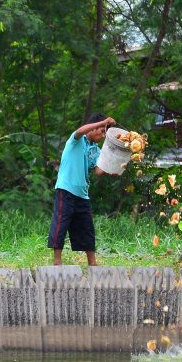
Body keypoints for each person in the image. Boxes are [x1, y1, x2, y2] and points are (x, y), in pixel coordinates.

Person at [47, 113, 115, 266]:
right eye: (102, 131)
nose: (103, 136)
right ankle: (57, 261)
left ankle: (92, 263)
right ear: (94, 127)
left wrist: (113, 168)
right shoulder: (77, 140)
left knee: (87, 228)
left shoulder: (95, 150)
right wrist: (104, 121)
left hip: (82, 195)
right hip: (66, 189)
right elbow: (80, 130)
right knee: (61, 224)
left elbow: (98, 171)